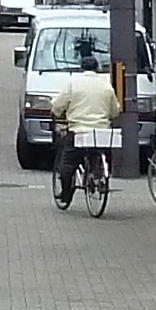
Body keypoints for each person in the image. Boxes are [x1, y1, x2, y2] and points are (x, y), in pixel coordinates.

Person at [47, 55, 120, 207]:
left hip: (78, 131)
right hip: (101, 132)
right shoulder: (106, 86)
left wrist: (58, 113)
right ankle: (99, 175)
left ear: (81, 68)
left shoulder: (73, 84)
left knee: (67, 164)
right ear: (97, 69)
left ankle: (66, 194)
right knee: (99, 152)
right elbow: (115, 111)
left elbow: (58, 105)